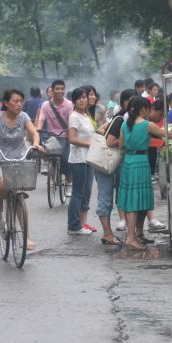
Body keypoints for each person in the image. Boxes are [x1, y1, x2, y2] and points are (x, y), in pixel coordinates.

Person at [118, 97, 172, 250]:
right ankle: (130, 238)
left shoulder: (125, 125)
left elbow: (120, 145)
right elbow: (168, 134)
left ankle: (137, 234)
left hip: (128, 162)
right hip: (140, 162)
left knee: (136, 199)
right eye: (148, 108)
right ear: (143, 109)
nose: (149, 111)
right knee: (136, 200)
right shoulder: (147, 125)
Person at [0, 89, 43, 251]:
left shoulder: (24, 117)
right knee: (2, 183)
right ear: (6, 103)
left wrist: (36, 143)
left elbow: (34, 132)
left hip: (17, 162)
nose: (19, 104)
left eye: (20, 101)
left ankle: (27, 236)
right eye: (15, 101)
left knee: (19, 199)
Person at [96, 89, 137, 244]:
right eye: (130, 100)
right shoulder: (120, 118)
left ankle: (128, 232)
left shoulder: (130, 119)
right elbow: (109, 140)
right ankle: (107, 233)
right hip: (107, 161)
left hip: (121, 162)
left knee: (123, 195)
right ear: (124, 103)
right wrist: (123, 142)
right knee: (106, 195)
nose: (133, 104)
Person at [66, 88, 97, 235]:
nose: (82, 100)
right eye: (79, 98)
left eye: (84, 97)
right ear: (74, 101)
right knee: (77, 192)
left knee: (86, 192)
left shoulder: (85, 115)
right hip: (79, 159)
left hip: (88, 158)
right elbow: (72, 139)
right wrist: (89, 143)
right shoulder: (74, 116)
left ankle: (80, 223)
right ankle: (73, 226)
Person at [36, 80, 74, 185]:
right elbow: (41, 118)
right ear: (52, 91)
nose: (60, 91)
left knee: (67, 160)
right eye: (57, 89)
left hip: (65, 135)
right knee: (51, 156)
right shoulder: (45, 105)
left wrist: (71, 133)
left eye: (62, 89)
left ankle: (69, 182)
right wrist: (38, 127)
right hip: (51, 135)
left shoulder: (69, 104)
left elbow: (71, 120)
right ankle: (52, 178)